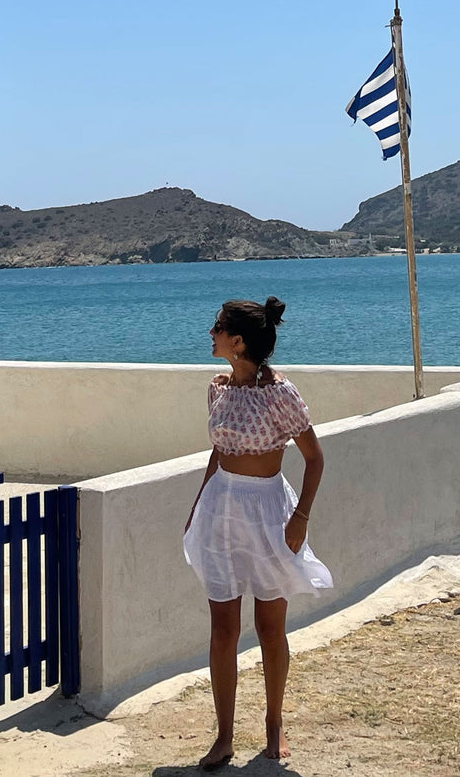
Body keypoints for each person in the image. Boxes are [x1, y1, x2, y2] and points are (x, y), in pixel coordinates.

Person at [182, 297, 332, 770]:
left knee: (270, 627)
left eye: (218, 327)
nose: (211, 333)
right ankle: (224, 736)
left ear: (238, 341)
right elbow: (217, 453)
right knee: (223, 627)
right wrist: (197, 507)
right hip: (221, 511)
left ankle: (273, 723)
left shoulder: (280, 393)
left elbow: (314, 458)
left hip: (268, 512)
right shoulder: (218, 389)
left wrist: (300, 517)